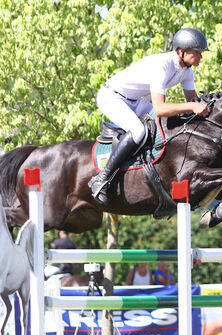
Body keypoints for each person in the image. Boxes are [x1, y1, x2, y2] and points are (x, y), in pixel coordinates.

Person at [88, 27, 211, 203]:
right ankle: (101, 179)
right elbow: (160, 108)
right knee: (139, 131)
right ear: (181, 52)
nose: (200, 56)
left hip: (136, 101)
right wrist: (192, 105)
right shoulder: (161, 66)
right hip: (112, 97)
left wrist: (202, 106)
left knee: (166, 122)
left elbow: (192, 101)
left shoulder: (187, 71)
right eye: (197, 52)